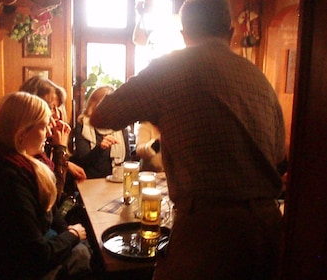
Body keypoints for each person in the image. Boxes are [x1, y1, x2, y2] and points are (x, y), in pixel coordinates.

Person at [89, 0, 287, 279]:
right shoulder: (258, 77)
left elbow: (101, 116)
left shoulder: (170, 68)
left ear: (184, 35)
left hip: (207, 233)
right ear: (230, 33)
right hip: (268, 230)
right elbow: (279, 155)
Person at [0, 92, 91, 279]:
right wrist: (73, 235)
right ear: (21, 134)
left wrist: (67, 231)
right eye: (44, 127)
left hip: (31, 246)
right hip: (11, 268)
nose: (48, 134)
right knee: (82, 253)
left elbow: (50, 209)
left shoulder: (12, 157)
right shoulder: (7, 177)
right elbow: (36, 255)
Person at [20, 75, 87, 204]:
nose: (56, 114)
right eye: (51, 107)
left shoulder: (47, 138)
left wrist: (66, 163)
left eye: (58, 107)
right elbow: (52, 199)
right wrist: (60, 150)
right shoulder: (31, 142)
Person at [74, 85, 131, 179]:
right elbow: (82, 161)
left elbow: (127, 159)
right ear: (93, 105)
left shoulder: (120, 126)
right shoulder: (83, 125)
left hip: (117, 180)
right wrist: (100, 148)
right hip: (91, 181)